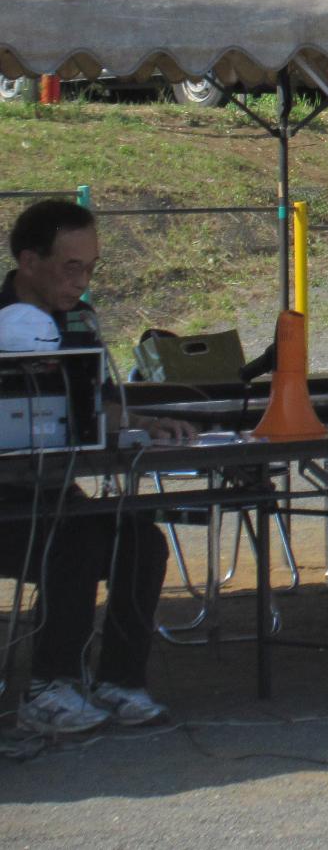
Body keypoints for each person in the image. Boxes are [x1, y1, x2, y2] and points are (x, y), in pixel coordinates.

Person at [0, 200, 192, 736]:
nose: (82, 282)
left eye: (91, 268)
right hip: (8, 506)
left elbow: (98, 402)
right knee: (77, 541)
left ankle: (119, 681)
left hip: (53, 498)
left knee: (141, 540)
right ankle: (47, 687)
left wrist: (144, 422)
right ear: (29, 260)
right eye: (71, 267)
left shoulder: (80, 317)